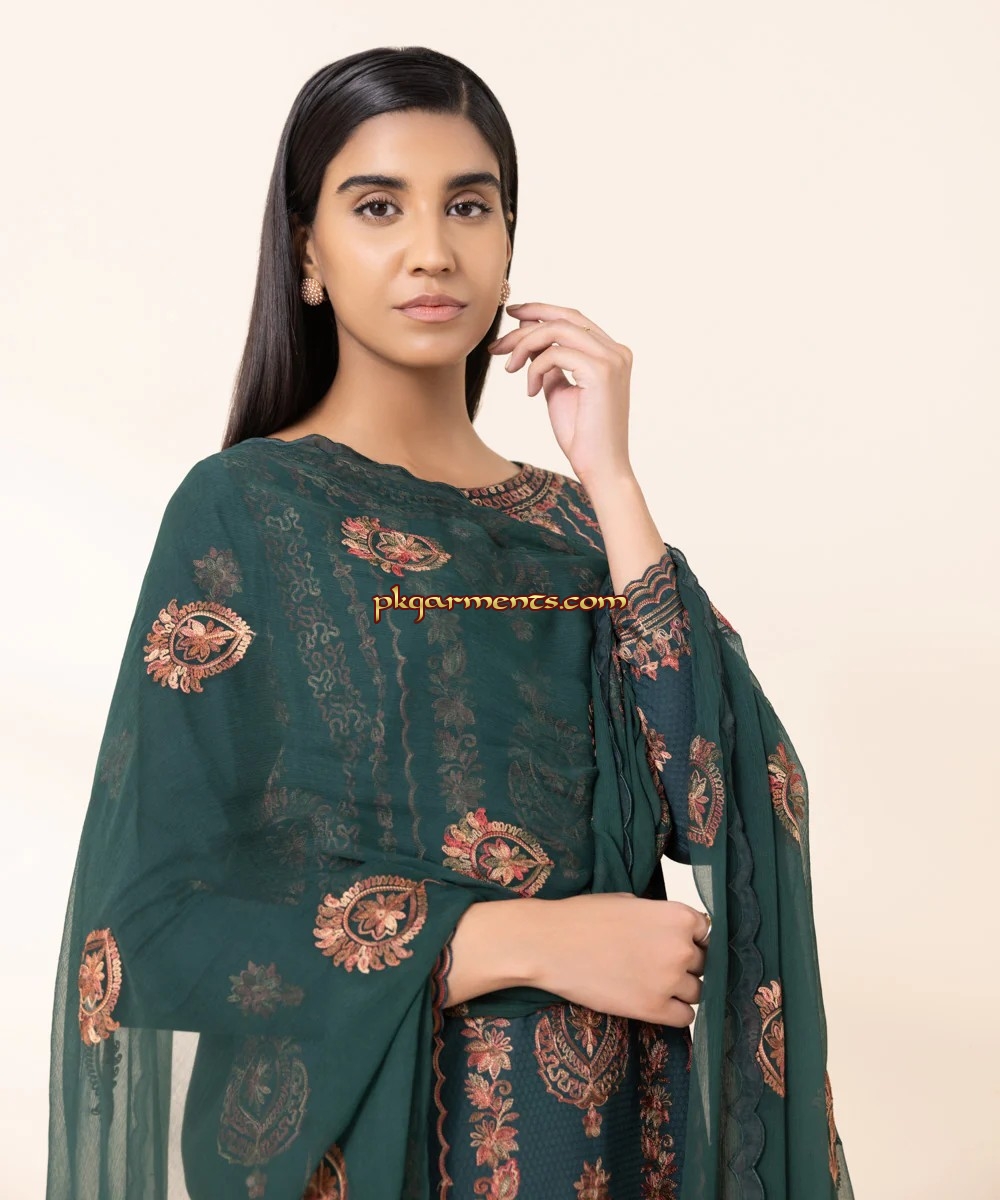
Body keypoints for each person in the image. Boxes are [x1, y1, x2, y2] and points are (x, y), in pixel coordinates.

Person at [46, 46, 854, 1200]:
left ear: (509, 241)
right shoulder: (247, 511)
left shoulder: (578, 530)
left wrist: (612, 480)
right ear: (306, 253)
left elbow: (729, 808)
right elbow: (143, 937)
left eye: (467, 206)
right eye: (378, 207)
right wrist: (514, 941)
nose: (432, 249)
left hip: (618, 1152)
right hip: (373, 1153)